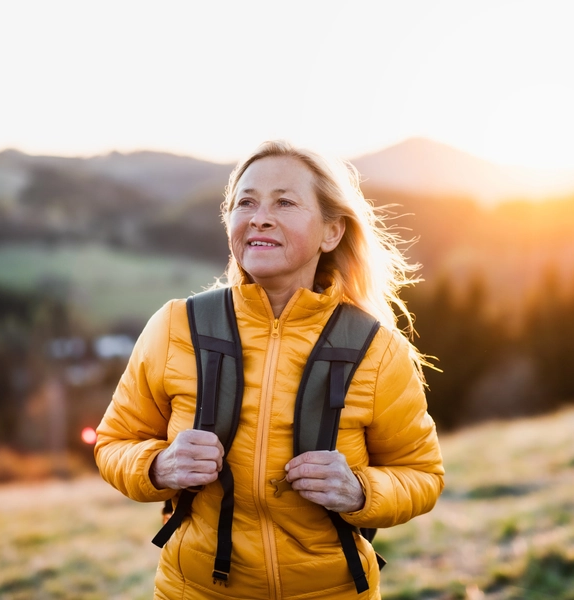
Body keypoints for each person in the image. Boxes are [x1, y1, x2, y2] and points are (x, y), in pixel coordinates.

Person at [95, 140, 445, 599]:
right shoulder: (177, 325)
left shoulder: (375, 350)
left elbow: (422, 475)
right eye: (246, 202)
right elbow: (113, 443)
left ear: (332, 232)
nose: (259, 216)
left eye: (284, 201)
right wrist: (159, 465)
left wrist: (359, 491)